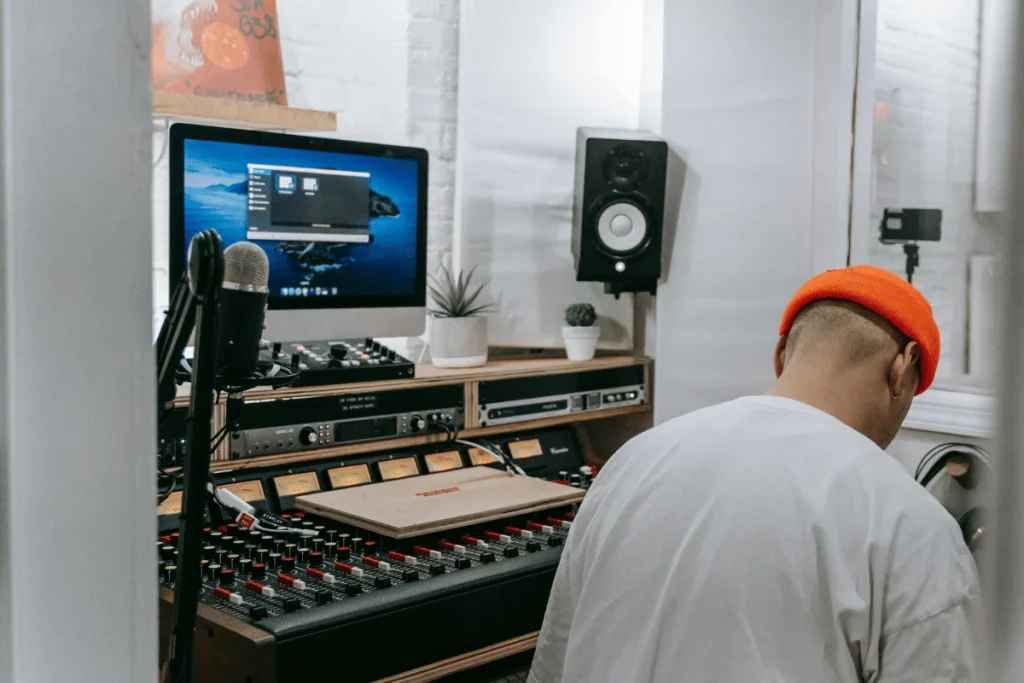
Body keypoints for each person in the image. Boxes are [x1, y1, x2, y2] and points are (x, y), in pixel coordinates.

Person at [529, 265, 983, 682]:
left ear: (781, 354)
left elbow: (555, 657)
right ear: (901, 369)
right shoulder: (911, 525)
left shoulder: (630, 464)